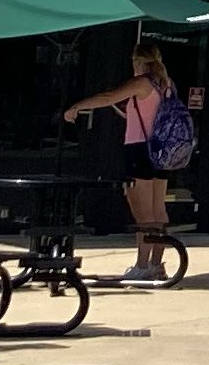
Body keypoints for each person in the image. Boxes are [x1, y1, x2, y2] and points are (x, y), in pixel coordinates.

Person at [62, 45, 183, 285]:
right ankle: (157, 264)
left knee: (141, 208)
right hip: (161, 149)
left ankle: (141, 265)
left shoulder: (142, 82)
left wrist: (78, 106)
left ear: (139, 61)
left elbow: (108, 96)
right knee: (158, 207)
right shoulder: (167, 84)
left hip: (139, 150)